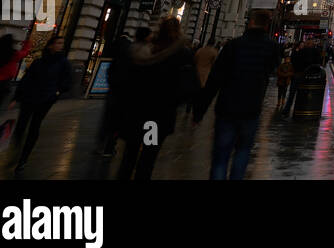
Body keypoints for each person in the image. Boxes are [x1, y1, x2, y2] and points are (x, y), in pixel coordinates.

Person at [195, 10, 281, 180]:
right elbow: (273, 69)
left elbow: (215, 79)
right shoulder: (272, 48)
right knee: (242, 152)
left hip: (227, 107)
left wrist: (199, 110)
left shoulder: (233, 45)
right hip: (252, 108)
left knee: (221, 155)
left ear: (250, 23)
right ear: (267, 25)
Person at [117, 17, 195, 180]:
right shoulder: (181, 53)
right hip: (156, 115)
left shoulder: (145, 48)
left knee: (129, 155)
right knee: (148, 155)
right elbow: (186, 87)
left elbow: (125, 79)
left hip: (136, 111)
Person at [11, 34, 73, 174]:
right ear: (50, 45)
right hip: (29, 97)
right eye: (58, 43)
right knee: (21, 125)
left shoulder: (63, 63)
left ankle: (23, 158)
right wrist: (16, 96)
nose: (60, 46)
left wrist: (57, 93)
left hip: (45, 99)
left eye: (61, 43)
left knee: (34, 126)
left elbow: (67, 82)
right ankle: (17, 147)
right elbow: (27, 79)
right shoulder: (39, 61)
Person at [283, 39, 321, 115]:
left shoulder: (300, 51)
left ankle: (287, 110)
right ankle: (300, 111)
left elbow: (293, 61)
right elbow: (317, 64)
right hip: (307, 77)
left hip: (297, 75)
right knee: (302, 95)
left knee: (292, 94)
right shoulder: (315, 52)